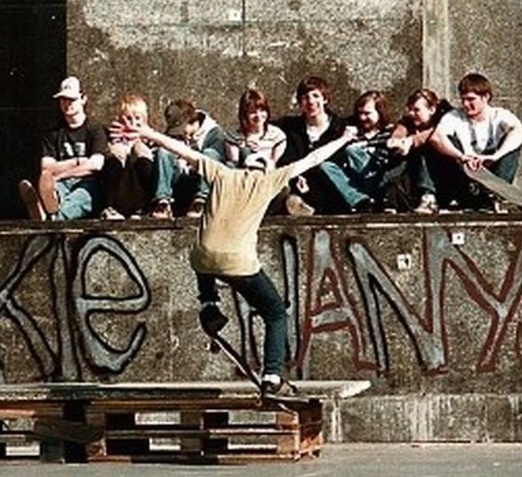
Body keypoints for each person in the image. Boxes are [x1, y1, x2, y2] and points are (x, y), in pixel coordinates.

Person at [109, 111, 357, 396]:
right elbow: (312, 159)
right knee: (275, 312)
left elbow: (180, 150)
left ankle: (209, 305)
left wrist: (147, 133)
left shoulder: (223, 173)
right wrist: (344, 138)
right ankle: (273, 376)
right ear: (263, 169)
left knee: (205, 258)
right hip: (238, 262)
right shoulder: (270, 180)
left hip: (202, 257)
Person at [428, 72, 522, 210]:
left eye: (471, 99)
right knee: (445, 141)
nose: (465, 104)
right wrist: (461, 157)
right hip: (465, 175)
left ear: (485, 97)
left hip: (492, 172)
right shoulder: (454, 117)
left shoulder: (499, 115)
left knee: (512, 144)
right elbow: (436, 137)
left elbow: (520, 132)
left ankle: (495, 195)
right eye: (463, 100)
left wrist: (495, 156)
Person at [18, 76, 106, 221]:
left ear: (83, 99)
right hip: (60, 183)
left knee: (80, 199)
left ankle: (46, 217)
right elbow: (46, 168)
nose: (67, 104)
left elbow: (96, 165)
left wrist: (61, 172)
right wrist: (78, 162)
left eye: (72, 99)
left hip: (87, 184)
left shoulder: (95, 130)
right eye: (63, 99)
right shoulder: (53, 133)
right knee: (52, 189)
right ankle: (45, 205)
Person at [315, 90, 401, 213]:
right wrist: (343, 138)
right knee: (326, 166)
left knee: (353, 150)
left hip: (379, 178)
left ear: (379, 112)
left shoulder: (391, 132)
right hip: (353, 181)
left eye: (367, 113)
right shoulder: (349, 129)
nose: (362, 118)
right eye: (360, 113)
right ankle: (361, 201)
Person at [275, 75, 347, 215]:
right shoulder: (290, 127)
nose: (311, 102)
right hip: (299, 184)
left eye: (316, 96)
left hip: (328, 189)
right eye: (305, 97)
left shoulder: (341, 128)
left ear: (325, 99)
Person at [150, 99, 228, 218]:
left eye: (181, 129)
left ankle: (201, 201)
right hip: (179, 181)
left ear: (191, 121)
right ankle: (163, 201)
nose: (179, 134)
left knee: (210, 154)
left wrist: (190, 163)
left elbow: (218, 164)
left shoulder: (215, 134)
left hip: (201, 180)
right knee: (163, 151)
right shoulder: (174, 135)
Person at [383, 87, 453, 213]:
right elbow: (400, 130)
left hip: (443, 174)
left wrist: (412, 140)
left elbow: (434, 134)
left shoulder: (444, 121)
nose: (411, 113)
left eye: (416, 110)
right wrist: (398, 141)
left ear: (431, 109)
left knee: (425, 150)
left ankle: (428, 197)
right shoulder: (408, 122)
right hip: (414, 176)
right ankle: (390, 196)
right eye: (410, 109)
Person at [103, 93, 156, 219]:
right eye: (128, 118)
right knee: (116, 153)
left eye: (137, 118)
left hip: (140, 191)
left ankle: (145, 208)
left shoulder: (151, 137)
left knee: (140, 150)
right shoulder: (113, 139)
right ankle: (110, 207)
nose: (133, 123)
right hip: (121, 190)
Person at [225, 88, 287, 169]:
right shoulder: (233, 136)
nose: (258, 115)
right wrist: (244, 147)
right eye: (252, 112)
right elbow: (234, 165)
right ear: (244, 114)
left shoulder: (277, 136)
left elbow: (274, 165)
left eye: (262, 110)